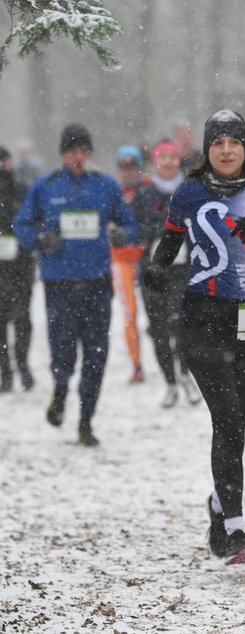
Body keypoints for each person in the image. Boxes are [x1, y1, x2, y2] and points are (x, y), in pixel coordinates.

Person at [143, 110, 245, 565]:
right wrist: (155, 271)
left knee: (236, 426)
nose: (227, 150)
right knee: (227, 421)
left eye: (234, 142)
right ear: (208, 151)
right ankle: (236, 529)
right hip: (203, 317)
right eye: (218, 143)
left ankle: (218, 502)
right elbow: (170, 245)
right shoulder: (188, 193)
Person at [13, 124, 138, 446]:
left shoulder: (105, 185)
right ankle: (60, 390)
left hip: (97, 284)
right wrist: (41, 239)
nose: (77, 157)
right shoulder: (45, 186)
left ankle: (85, 421)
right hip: (60, 286)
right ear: (62, 154)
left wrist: (123, 234)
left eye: (82, 150)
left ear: (90, 153)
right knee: (63, 353)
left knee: (96, 357)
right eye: (71, 151)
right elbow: (22, 224)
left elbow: (128, 222)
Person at [133, 140, 201, 408]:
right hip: (153, 270)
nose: (169, 162)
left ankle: (186, 375)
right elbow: (135, 228)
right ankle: (170, 382)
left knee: (182, 324)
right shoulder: (144, 194)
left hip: (185, 269)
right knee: (158, 329)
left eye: (173, 157)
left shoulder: (191, 191)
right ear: (155, 162)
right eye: (163, 158)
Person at [113, 145, 150, 383]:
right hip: (122, 259)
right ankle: (136, 363)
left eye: (132, 165)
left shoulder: (149, 188)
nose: (128, 171)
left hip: (145, 256)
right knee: (130, 313)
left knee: (157, 311)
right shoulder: (113, 191)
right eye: (123, 166)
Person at [0, 145, 34, 392]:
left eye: (4, 161)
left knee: (22, 317)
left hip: (21, 263)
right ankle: (6, 371)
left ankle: (23, 365)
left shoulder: (22, 190)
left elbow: (33, 220)